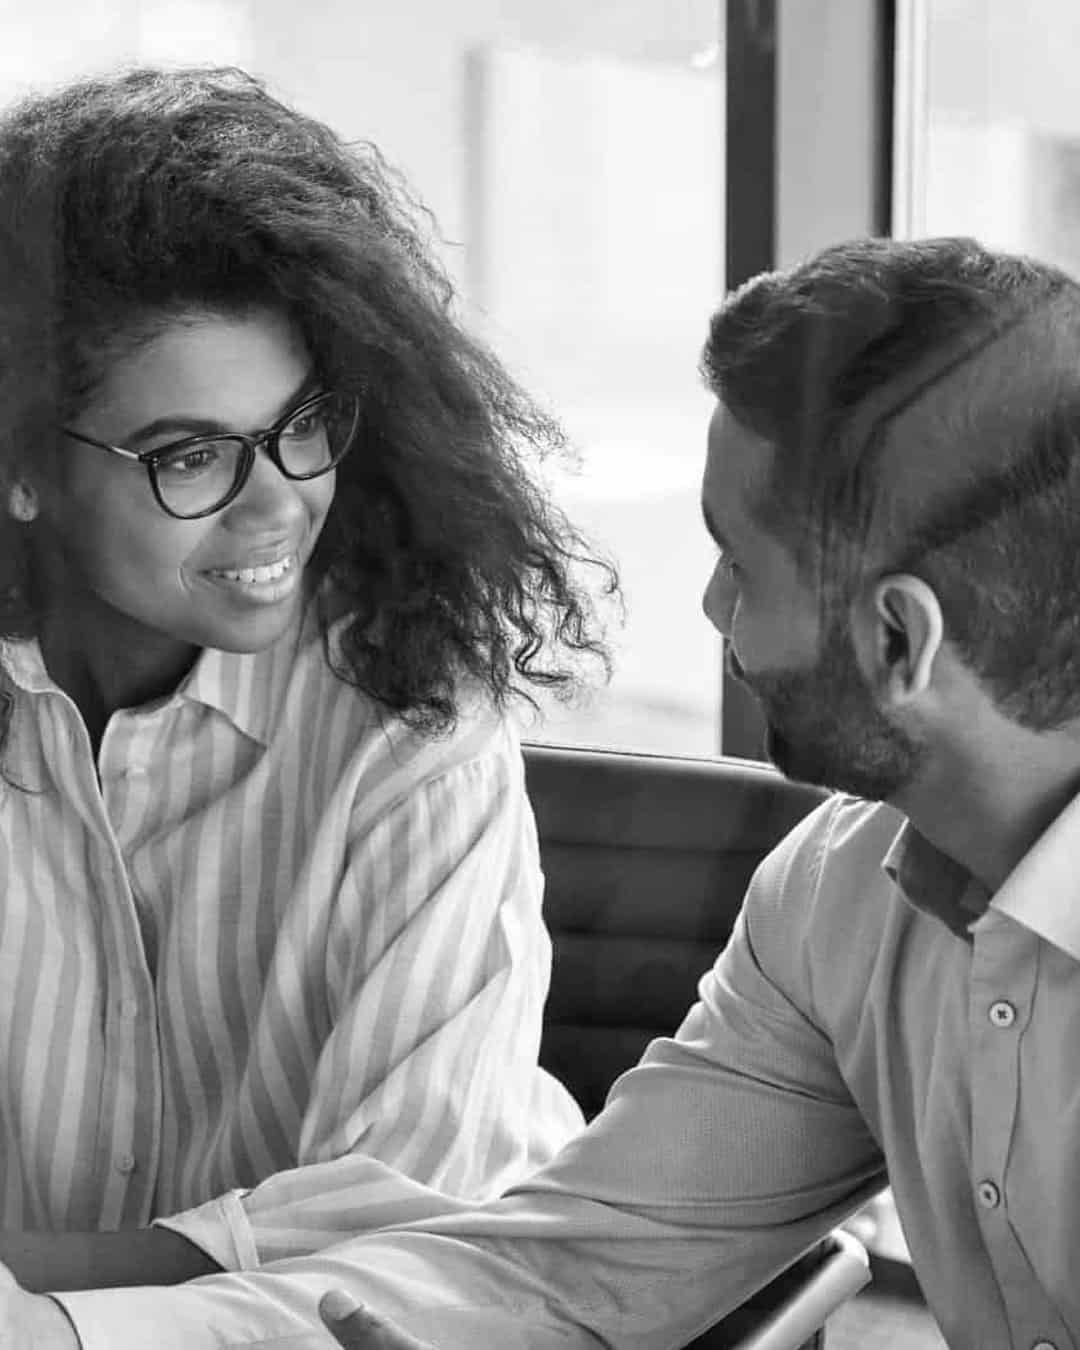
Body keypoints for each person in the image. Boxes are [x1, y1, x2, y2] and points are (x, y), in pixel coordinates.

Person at [10, 233, 1080, 1349]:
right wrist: (57, 1335)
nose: (713, 609)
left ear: (899, 637)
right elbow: (572, 1271)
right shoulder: (836, 896)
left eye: (741, 566)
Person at [0, 64, 616, 1299]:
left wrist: (35, 1301)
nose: (282, 503)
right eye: (191, 456)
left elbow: (405, 1223)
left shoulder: (412, 721)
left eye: (302, 423)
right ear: (22, 470)